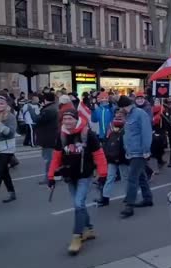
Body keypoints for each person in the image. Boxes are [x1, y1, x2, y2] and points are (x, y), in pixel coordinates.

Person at [47, 109, 107, 255]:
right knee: (78, 205)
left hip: (84, 176)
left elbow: (99, 154)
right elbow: (55, 158)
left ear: (76, 119)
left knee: (79, 204)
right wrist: (50, 177)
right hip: (69, 176)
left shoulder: (87, 134)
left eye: (70, 119)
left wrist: (103, 173)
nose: (67, 122)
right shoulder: (61, 135)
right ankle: (89, 229)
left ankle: (77, 237)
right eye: (65, 119)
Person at [116, 96, 153, 219]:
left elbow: (146, 132)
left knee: (132, 178)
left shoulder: (140, 114)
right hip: (132, 151)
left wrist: (146, 150)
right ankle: (147, 198)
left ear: (126, 106)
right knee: (141, 176)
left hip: (139, 152)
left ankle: (129, 205)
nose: (121, 110)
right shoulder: (128, 115)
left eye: (122, 108)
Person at [95, 115, 129, 207]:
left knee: (113, 178)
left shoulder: (113, 133)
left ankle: (106, 198)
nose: (116, 128)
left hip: (115, 159)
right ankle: (106, 197)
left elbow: (106, 146)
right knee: (121, 177)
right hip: (119, 159)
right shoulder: (122, 132)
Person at [34, 92, 58, 185]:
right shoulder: (54, 107)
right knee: (50, 157)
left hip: (48, 137)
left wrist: (36, 112)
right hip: (51, 136)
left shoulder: (48, 110)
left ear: (45, 100)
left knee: (48, 159)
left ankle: (49, 177)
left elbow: (38, 120)